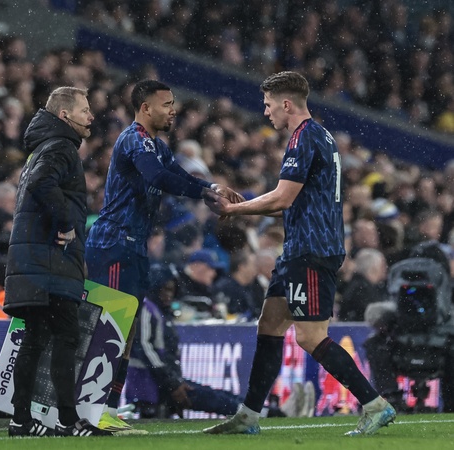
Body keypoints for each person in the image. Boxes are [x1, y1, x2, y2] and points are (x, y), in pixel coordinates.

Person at [202, 72, 396, 436]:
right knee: (270, 324)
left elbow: (283, 198)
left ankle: (374, 404)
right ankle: (248, 416)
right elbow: (296, 202)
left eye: (268, 105)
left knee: (309, 336)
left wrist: (234, 210)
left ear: (286, 104)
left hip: (311, 251)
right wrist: (249, 206)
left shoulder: (303, 138)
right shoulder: (320, 136)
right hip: (300, 249)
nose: (266, 112)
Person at [84, 79, 242, 431]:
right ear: (145, 108)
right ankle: (90, 407)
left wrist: (209, 188)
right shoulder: (135, 139)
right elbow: (158, 177)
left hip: (133, 245)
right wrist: (203, 191)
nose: (173, 110)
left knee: (126, 330)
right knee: (110, 325)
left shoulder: (156, 144)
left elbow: (175, 174)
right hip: (113, 242)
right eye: (166, 104)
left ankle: (107, 407)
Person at [3, 86, 111, 437]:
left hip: (33, 258)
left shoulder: (42, 147)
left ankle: (21, 420)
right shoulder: (61, 146)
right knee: (66, 336)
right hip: (49, 260)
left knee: (35, 338)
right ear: (65, 115)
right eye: (84, 110)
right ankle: (68, 420)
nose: (91, 116)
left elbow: (37, 183)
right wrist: (65, 224)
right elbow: (41, 183)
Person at [127, 263, 241, 418]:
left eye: (171, 290)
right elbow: (144, 347)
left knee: (217, 397)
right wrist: (173, 384)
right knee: (214, 399)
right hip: (149, 383)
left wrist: (174, 380)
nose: (168, 295)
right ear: (154, 287)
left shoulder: (159, 311)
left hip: (161, 381)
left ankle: (250, 408)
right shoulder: (146, 307)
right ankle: (253, 410)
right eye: (164, 289)